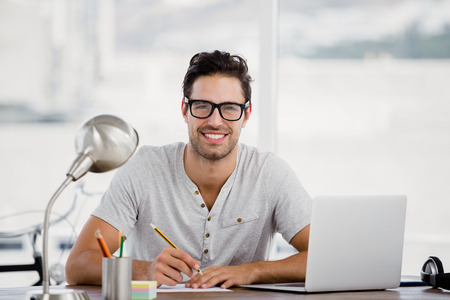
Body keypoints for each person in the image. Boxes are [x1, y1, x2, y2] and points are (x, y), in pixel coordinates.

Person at [65, 50, 312, 289]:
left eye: (229, 108)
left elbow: (323, 257)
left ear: (246, 115)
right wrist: (145, 270)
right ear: (185, 110)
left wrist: (250, 271)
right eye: (202, 106)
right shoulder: (145, 169)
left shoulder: (269, 174)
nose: (215, 121)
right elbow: (76, 266)